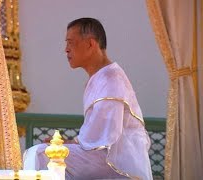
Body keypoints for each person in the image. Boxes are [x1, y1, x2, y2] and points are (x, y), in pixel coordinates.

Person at [23, 18, 153, 180]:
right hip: (103, 156)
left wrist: (68, 145)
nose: (66, 49)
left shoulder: (110, 79)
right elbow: (96, 136)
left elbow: (104, 138)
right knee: (46, 154)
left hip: (116, 163)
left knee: (39, 154)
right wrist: (70, 143)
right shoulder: (102, 76)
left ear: (91, 44)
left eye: (71, 43)